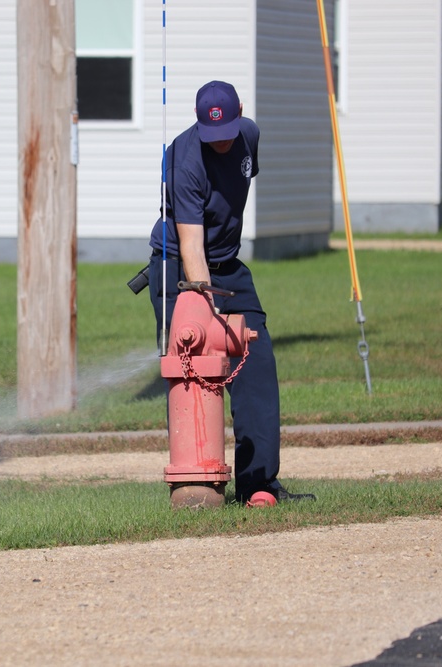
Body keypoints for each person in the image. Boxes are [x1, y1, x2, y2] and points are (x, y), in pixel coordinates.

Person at [146, 80, 314, 506]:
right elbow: (190, 246)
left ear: (240, 113)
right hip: (180, 270)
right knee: (191, 370)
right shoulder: (183, 161)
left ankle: (258, 484)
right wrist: (205, 312)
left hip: (228, 267)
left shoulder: (250, 136)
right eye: (211, 137)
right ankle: (195, 486)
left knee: (256, 364)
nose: (220, 144)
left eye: (226, 136)